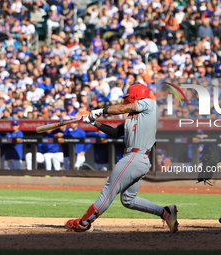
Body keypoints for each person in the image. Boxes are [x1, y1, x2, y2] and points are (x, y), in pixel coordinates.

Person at [65, 84, 178, 233]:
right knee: (128, 200)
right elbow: (115, 133)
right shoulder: (135, 118)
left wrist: (101, 111)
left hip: (135, 157)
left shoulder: (149, 103)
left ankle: (84, 222)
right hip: (138, 159)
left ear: (136, 95)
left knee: (108, 191)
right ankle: (165, 212)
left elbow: (121, 109)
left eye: (129, 97)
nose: (127, 100)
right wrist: (94, 122)